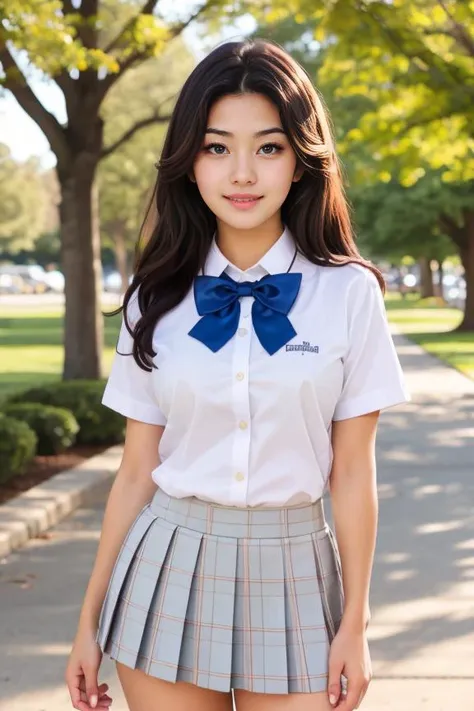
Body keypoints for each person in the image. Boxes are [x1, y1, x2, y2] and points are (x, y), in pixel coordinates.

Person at [65, 38, 410, 711]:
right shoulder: (154, 297)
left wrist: (357, 622)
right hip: (166, 563)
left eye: (269, 147)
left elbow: (352, 472)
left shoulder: (348, 294)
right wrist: (88, 619)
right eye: (218, 146)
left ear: (301, 159)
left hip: (297, 570)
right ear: (190, 160)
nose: (243, 172)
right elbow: (137, 468)